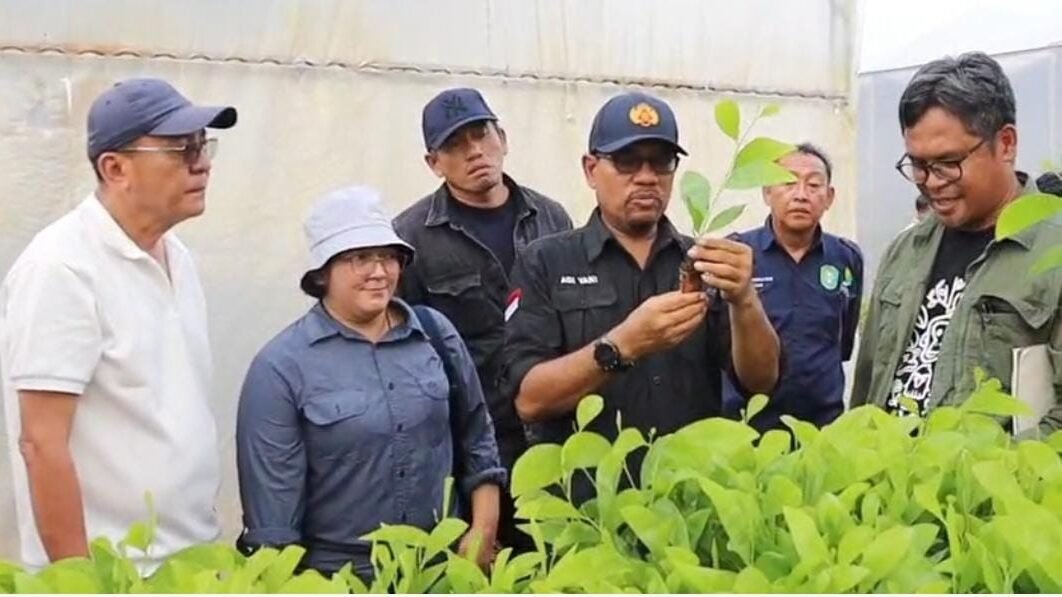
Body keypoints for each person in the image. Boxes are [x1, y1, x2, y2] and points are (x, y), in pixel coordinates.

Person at [0, 78, 237, 570]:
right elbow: (41, 443)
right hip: (119, 573)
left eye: (202, 144)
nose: (202, 162)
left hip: (190, 560)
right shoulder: (61, 270)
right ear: (115, 167)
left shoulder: (178, 258)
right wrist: (80, 579)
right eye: (179, 149)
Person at [499, 91, 780, 500]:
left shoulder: (701, 262)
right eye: (628, 161)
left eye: (661, 162)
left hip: (688, 505)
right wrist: (623, 345)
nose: (646, 177)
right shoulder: (546, 261)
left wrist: (744, 301)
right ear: (591, 169)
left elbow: (760, 381)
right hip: (589, 509)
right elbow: (529, 399)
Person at [236, 186, 506, 579]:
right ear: (322, 272)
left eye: (387, 257)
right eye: (359, 258)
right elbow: (272, 526)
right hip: (338, 578)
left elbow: (478, 439)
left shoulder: (435, 334)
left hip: (439, 571)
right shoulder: (281, 368)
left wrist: (482, 529)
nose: (379, 272)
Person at [393, 87, 571, 551]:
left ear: (503, 138)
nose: (475, 151)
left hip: (555, 439)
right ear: (433, 163)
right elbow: (405, 356)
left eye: (482, 134)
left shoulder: (550, 219)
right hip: (468, 447)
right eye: (455, 144)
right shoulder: (410, 238)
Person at [851, 52, 1062, 433]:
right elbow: (867, 392)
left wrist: (993, 476)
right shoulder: (904, 252)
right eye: (917, 164)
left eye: (948, 162)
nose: (931, 181)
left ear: (1006, 144)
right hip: (892, 487)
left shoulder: (1052, 254)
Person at [724, 143, 863, 432]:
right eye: (788, 183)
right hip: (749, 424)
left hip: (823, 427)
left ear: (829, 197)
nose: (801, 195)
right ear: (767, 193)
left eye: (813, 185)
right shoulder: (737, 255)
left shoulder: (846, 258)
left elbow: (842, 342)